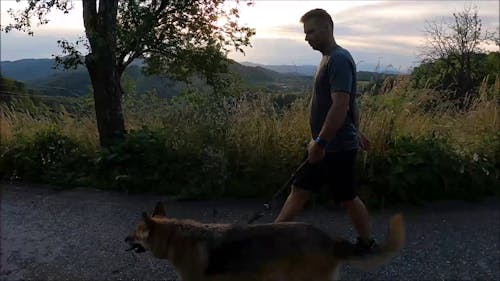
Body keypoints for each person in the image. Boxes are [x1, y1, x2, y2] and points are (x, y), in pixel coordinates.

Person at [274, 8, 377, 251]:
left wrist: (320, 143)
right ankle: (273, 236)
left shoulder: (338, 59)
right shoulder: (329, 58)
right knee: (301, 189)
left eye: (310, 31)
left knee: (346, 197)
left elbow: (340, 105)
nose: (306, 38)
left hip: (333, 146)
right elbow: (350, 104)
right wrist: (356, 130)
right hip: (331, 142)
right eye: (305, 32)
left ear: (327, 29)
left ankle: (366, 243)